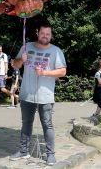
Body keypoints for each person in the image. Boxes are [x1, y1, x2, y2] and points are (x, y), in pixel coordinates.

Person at [9, 23, 67, 166]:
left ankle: (50, 154)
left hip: (45, 97)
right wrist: (21, 60)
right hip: (26, 94)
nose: (45, 36)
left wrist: (45, 73)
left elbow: (62, 71)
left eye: (48, 34)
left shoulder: (56, 51)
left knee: (47, 125)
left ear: (51, 36)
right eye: (43, 33)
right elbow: (14, 65)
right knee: (26, 124)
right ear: (38, 33)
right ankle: (23, 151)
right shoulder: (26, 46)